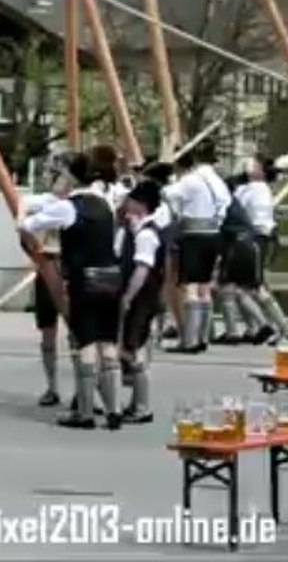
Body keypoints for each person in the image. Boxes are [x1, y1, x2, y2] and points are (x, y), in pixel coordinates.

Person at [19, 145, 125, 431]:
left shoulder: (68, 207)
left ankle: (86, 412)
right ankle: (114, 410)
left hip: (83, 279)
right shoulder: (105, 204)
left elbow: (28, 225)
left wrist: (25, 224)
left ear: (72, 178)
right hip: (111, 277)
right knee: (108, 343)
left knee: (86, 344)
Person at [222, 153, 288, 345]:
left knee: (248, 286)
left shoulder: (257, 189)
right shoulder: (253, 188)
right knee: (250, 285)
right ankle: (264, 327)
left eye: (254, 164)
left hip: (254, 238)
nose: (248, 165)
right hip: (253, 237)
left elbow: (243, 211)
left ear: (261, 171)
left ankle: (275, 326)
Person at [164, 143, 231, 354]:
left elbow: (168, 194)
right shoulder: (216, 180)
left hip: (193, 234)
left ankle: (190, 340)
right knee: (204, 286)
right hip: (213, 232)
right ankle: (203, 337)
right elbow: (226, 202)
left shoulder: (190, 180)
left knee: (190, 287)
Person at [117, 180, 167, 425]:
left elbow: (142, 269)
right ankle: (136, 402)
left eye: (132, 200)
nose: (127, 203)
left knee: (135, 350)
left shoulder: (147, 235)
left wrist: (127, 296)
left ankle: (142, 407)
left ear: (142, 205)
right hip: (143, 297)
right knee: (134, 347)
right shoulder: (136, 230)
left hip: (142, 298)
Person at [23, 158, 72, 407]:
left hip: (71, 268)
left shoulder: (77, 203)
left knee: (77, 332)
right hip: (47, 263)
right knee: (47, 331)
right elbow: (21, 209)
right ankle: (52, 386)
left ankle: (83, 389)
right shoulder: (43, 202)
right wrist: (32, 249)